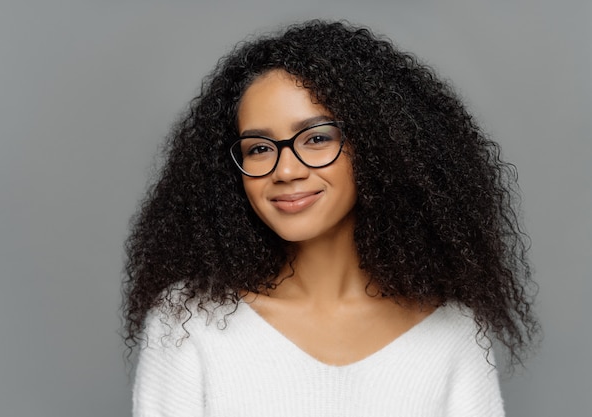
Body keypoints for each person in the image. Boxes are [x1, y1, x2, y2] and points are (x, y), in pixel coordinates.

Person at [123, 20, 539, 416]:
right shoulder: (189, 323)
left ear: (379, 147)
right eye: (259, 148)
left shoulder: (453, 331)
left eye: (317, 138)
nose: (285, 171)